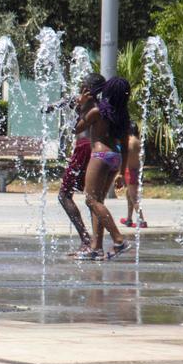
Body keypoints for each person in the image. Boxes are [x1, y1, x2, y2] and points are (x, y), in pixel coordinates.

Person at [76, 77, 133, 260]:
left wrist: (81, 105)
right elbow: (124, 145)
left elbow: (76, 129)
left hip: (100, 156)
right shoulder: (123, 116)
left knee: (91, 201)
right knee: (98, 201)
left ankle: (118, 239)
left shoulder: (98, 112)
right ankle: (96, 248)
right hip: (114, 158)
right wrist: (122, 172)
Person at [57, 73, 104, 252]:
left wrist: (75, 105)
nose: (80, 86)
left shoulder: (88, 103)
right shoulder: (100, 103)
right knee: (93, 198)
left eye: (82, 84)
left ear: (87, 88)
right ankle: (95, 244)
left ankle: (86, 240)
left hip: (83, 148)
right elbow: (54, 106)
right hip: (94, 148)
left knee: (64, 195)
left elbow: (73, 128)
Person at [120, 122, 147, 228]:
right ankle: (129, 219)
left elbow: (123, 157)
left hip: (129, 171)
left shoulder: (129, 142)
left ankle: (142, 221)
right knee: (129, 196)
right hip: (137, 171)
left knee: (134, 197)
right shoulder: (139, 142)